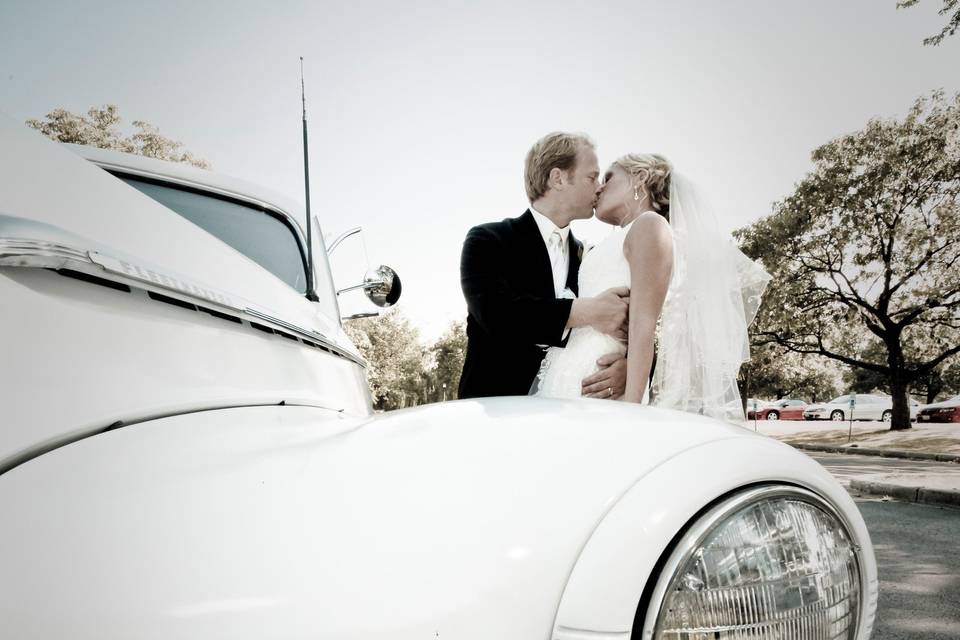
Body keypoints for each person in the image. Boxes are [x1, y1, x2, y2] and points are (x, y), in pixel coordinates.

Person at [533, 153, 770, 421]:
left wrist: (631, 411)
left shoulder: (651, 225)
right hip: (570, 369)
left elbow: (643, 326)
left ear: (640, 178)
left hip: (599, 375)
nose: (599, 187)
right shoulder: (619, 238)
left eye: (609, 177)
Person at [458, 132, 630, 399]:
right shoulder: (487, 240)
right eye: (591, 176)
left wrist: (629, 368)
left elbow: (637, 323)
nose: (599, 187)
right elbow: (497, 314)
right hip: (494, 411)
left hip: (569, 412)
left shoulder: (593, 257)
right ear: (558, 178)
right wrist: (586, 310)